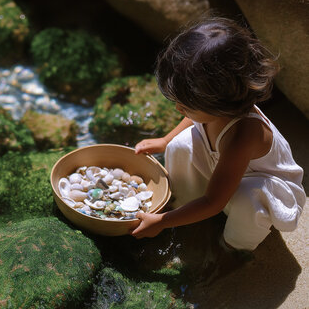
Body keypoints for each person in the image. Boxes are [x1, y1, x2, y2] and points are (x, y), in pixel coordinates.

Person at [131, 17, 305, 251]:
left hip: (265, 187)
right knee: (178, 145)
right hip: (225, 168)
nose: (178, 109)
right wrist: (164, 141)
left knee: (248, 202)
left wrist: (162, 223)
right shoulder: (219, 105)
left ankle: (234, 247)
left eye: (185, 105)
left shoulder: (243, 135)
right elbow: (195, 118)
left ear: (217, 106)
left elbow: (215, 201)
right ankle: (183, 204)